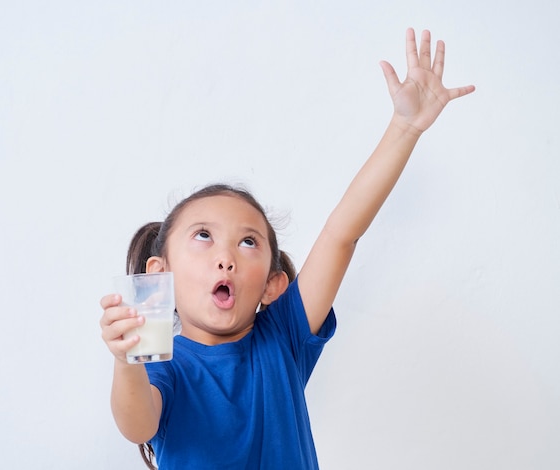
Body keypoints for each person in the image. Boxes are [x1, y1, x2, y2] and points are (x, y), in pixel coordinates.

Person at [99, 28, 475, 469]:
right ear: (159, 273)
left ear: (273, 285)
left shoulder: (283, 338)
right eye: (203, 236)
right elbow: (138, 425)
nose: (227, 256)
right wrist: (127, 362)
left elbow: (341, 234)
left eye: (248, 241)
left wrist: (404, 128)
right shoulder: (166, 365)